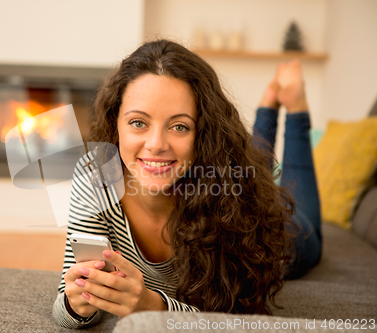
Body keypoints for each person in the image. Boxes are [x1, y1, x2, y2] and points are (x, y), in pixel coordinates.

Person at [52, 39, 322, 329]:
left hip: (276, 234)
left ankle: (295, 108)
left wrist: (150, 306)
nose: (155, 145)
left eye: (179, 126)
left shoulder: (234, 196)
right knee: (257, 165)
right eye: (138, 123)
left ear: (202, 134)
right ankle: (267, 106)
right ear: (115, 122)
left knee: (301, 219)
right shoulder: (96, 175)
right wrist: (76, 304)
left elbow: (230, 320)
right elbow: (65, 307)